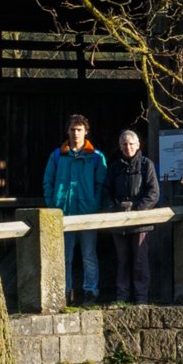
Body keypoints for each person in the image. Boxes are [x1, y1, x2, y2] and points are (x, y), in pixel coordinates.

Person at [43, 113, 106, 303]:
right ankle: (64, 291)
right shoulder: (57, 155)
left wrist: (94, 204)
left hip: (87, 212)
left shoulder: (95, 157)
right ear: (67, 131)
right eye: (72, 129)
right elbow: (48, 182)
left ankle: (90, 291)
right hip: (63, 213)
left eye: (79, 130)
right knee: (64, 257)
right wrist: (53, 206)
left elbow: (101, 184)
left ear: (86, 131)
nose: (76, 133)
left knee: (89, 255)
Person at [103, 127, 161, 304]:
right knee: (122, 260)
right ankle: (122, 297)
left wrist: (137, 211)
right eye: (124, 144)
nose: (127, 147)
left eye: (130, 144)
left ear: (138, 145)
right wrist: (113, 209)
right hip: (119, 221)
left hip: (140, 222)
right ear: (120, 147)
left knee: (140, 260)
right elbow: (106, 191)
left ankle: (141, 298)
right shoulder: (114, 168)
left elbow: (153, 193)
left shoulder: (146, 165)